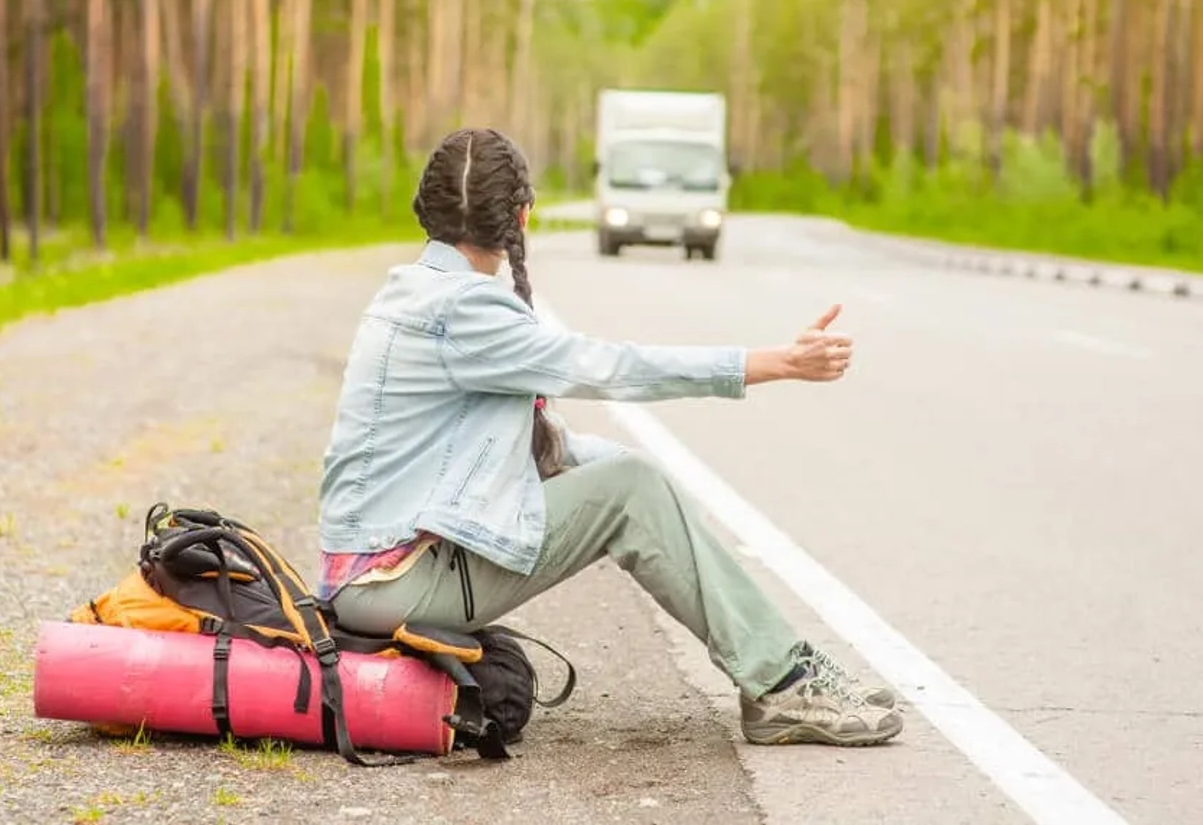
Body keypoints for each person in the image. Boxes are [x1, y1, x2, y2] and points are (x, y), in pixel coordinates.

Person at [317, 127, 903, 748]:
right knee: (632, 488)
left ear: (426, 211)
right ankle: (782, 684)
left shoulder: (412, 293)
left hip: (370, 581)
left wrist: (644, 490)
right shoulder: (463, 311)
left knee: (634, 482)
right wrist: (771, 363)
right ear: (522, 217)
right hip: (395, 582)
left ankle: (783, 665)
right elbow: (611, 365)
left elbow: (548, 448)